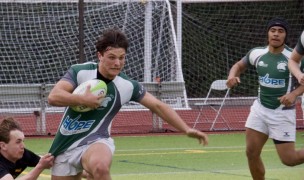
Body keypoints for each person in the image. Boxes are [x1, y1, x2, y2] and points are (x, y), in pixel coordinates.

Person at [47, 28, 209, 180]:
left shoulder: (127, 86)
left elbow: (158, 106)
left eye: (122, 57)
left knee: (100, 167)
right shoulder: (81, 71)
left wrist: (186, 129)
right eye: (112, 57)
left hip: (96, 141)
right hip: (64, 147)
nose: (117, 63)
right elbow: (53, 97)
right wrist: (82, 99)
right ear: (100, 56)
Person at [226, 17, 304, 180]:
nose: (276, 34)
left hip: (282, 113)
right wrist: (232, 76)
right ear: (268, 33)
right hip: (259, 109)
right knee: (251, 153)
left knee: (290, 160)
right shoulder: (256, 53)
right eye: (273, 30)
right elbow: (238, 66)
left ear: (285, 36)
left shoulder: (293, 57)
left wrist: (294, 94)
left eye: (280, 31)